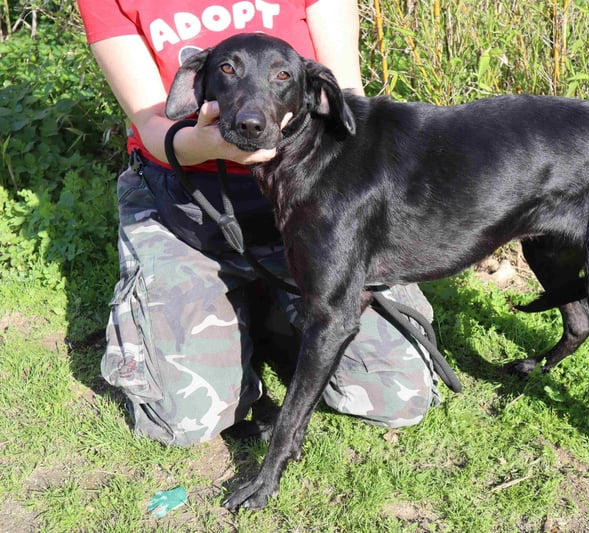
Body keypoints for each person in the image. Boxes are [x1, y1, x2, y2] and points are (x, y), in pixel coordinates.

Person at [77, 0, 441, 446]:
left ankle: (263, 307)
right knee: (185, 420)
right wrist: (210, 144)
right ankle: (232, 303)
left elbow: (346, 100)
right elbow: (154, 120)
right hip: (188, 203)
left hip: (306, 194)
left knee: (397, 395)